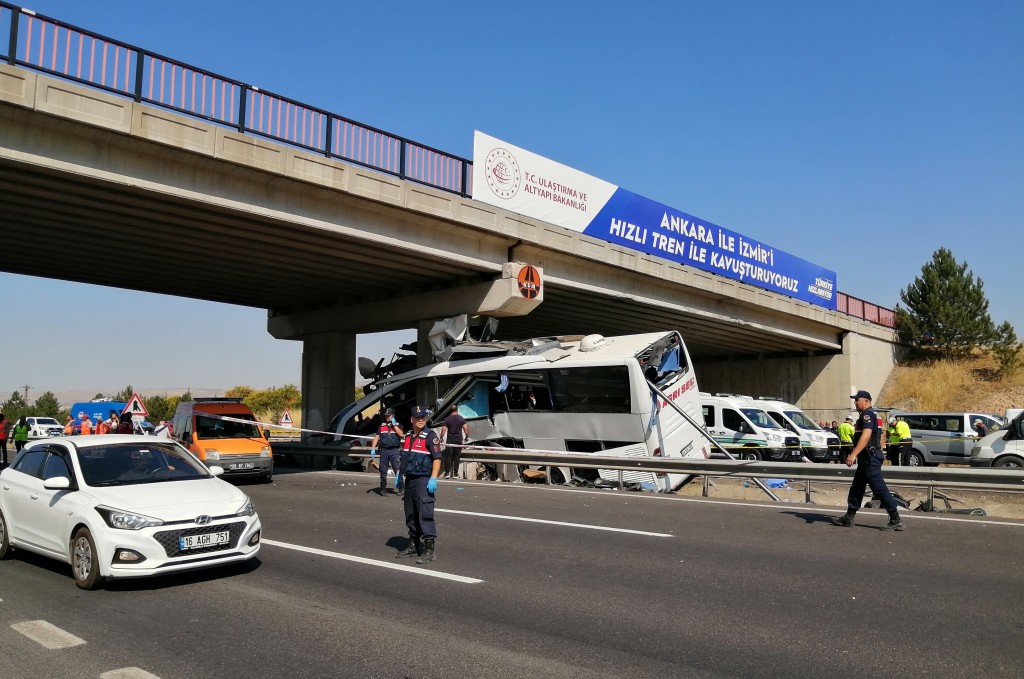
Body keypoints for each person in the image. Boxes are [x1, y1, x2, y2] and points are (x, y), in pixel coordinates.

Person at [832, 391, 905, 531]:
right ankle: (849, 516)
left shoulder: (868, 414)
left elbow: (866, 435)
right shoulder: (870, 414)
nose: (855, 402)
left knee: (879, 489)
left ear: (866, 401)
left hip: (870, 458)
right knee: (857, 487)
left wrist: (853, 454)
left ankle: (896, 518)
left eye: (857, 399)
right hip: (866, 458)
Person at [394, 405, 443, 564]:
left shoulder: (430, 436)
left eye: (423, 417)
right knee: (411, 514)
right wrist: (399, 476)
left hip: (423, 480)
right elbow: (404, 457)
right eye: (417, 417)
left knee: (425, 513)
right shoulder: (407, 436)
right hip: (409, 480)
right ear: (412, 419)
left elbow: (437, 458)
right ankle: (413, 545)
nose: (421, 420)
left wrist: (433, 478)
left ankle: (429, 548)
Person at [369, 407, 404, 495]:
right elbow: (376, 437)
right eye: (386, 416)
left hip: (395, 450)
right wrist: (373, 448)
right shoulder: (381, 426)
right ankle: (383, 488)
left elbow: (401, 434)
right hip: (384, 451)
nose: (387, 417)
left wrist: (394, 425)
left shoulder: (398, 425)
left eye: (389, 416)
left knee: (397, 469)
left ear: (393, 416)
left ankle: (401, 488)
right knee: (383, 470)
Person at [439, 404, 469, 479]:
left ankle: (447, 473)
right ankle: (455, 474)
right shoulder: (461, 418)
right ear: (457, 410)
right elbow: (465, 428)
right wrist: (467, 437)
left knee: (448, 456)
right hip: (458, 439)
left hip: (450, 439)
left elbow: (443, 430)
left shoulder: (447, 419)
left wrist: (441, 438)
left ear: (450, 410)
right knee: (456, 457)